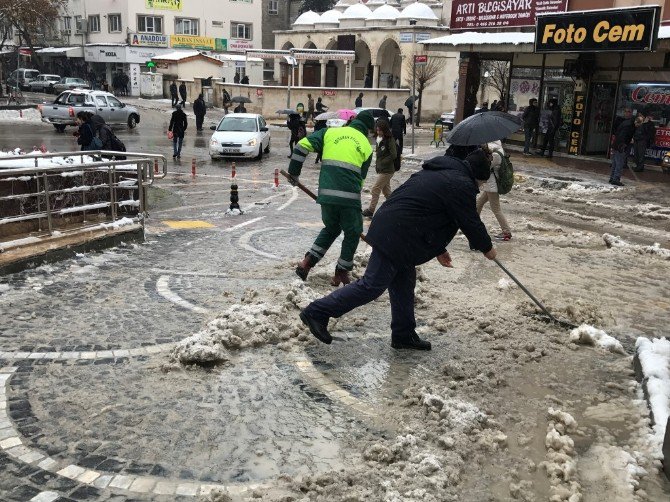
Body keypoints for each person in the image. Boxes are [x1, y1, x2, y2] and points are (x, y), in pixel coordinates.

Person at [298, 147, 496, 351]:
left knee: (404, 282)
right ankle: (317, 311)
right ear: (477, 175)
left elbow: (427, 212)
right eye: (481, 183)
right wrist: (488, 248)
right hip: (397, 234)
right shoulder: (460, 184)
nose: (480, 187)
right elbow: (470, 222)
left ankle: (403, 334)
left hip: (400, 231)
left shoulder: (441, 173)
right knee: (372, 285)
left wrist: (439, 249)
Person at [290, 112, 375, 286]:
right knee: (353, 231)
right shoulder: (366, 146)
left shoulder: (329, 132)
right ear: (367, 130)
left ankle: (306, 263)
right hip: (349, 197)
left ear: (352, 122)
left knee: (332, 228)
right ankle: (341, 272)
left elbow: (300, 146)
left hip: (326, 194)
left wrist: (294, 173)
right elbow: (361, 180)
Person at [477, 141, 512, 241]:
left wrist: (484, 155)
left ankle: (506, 232)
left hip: (493, 186)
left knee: (496, 209)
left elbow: (486, 167)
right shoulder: (499, 151)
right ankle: (473, 225)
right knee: (478, 203)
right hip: (490, 185)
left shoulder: (496, 154)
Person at [363, 120, 397, 218]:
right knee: (387, 192)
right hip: (382, 169)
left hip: (388, 170)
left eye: (380, 130)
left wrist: (382, 163)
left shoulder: (389, 139)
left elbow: (393, 154)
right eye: (377, 130)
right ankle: (394, 208)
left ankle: (371, 210)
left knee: (375, 189)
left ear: (385, 130)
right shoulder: (379, 139)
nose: (378, 132)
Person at [609, 107, 635, 186]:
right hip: (621, 145)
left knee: (616, 162)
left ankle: (612, 177)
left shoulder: (626, 123)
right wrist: (622, 144)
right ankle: (615, 178)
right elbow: (621, 134)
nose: (627, 113)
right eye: (626, 111)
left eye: (629, 112)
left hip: (619, 144)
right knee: (619, 162)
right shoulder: (626, 123)